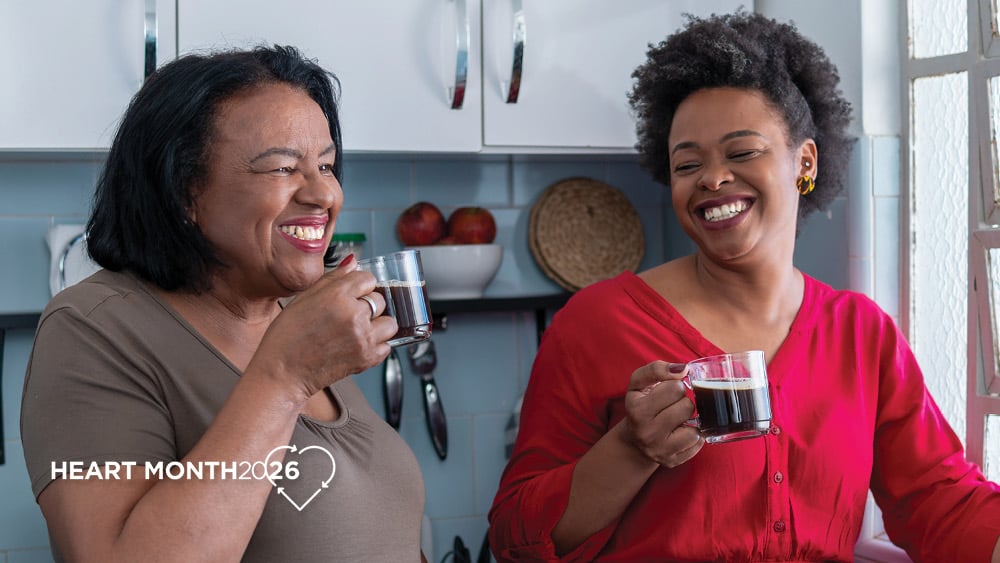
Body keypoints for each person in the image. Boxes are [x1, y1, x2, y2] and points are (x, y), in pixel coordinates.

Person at [488, 12, 1000, 563]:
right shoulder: (597, 322)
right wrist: (632, 450)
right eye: (688, 163)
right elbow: (515, 539)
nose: (712, 178)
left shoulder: (861, 334)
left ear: (803, 162)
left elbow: (940, 501)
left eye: (741, 152)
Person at [21, 45, 427, 562]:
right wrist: (283, 377)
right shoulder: (93, 329)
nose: (323, 194)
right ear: (185, 191)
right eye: (283, 168)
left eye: (326, 165)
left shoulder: (295, 319)